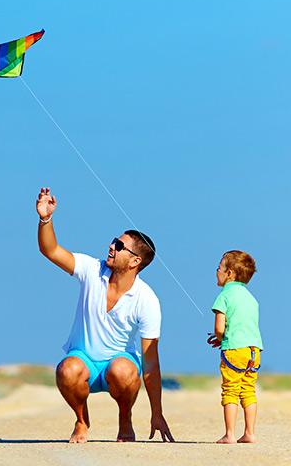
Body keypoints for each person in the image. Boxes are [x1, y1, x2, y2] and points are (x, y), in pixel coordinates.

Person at [36, 187, 174, 444]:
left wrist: (157, 413)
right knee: (67, 369)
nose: (112, 246)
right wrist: (45, 219)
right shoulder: (91, 269)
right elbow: (51, 250)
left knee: (123, 370)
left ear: (135, 262)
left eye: (120, 245)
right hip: (84, 361)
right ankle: (81, 420)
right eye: (114, 241)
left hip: (118, 365)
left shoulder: (147, 300)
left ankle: (125, 420)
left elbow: (151, 363)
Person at [207, 250, 263, 444]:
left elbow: (219, 327)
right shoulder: (251, 298)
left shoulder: (224, 295)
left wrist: (221, 338)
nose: (217, 271)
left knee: (230, 390)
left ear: (229, 273)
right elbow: (244, 326)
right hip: (254, 350)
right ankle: (250, 433)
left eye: (219, 267)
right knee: (248, 390)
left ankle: (230, 434)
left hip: (234, 350)